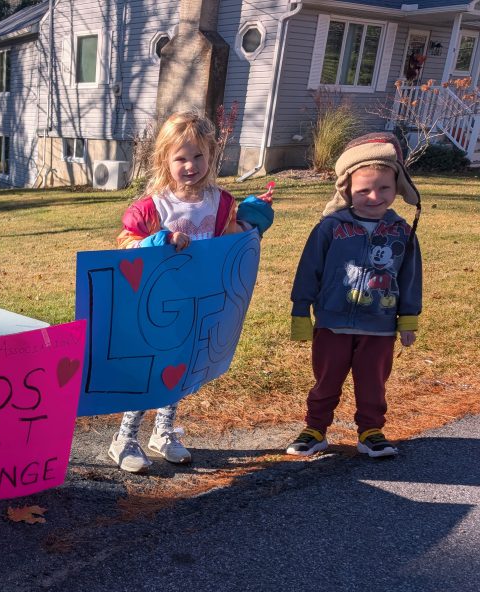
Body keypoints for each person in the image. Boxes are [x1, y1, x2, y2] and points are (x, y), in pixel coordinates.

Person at [108, 111, 274, 473]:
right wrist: (160, 240)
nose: (190, 165)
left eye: (199, 156)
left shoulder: (221, 202)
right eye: (181, 157)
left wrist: (251, 223)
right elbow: (126, 246)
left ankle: (163, 432)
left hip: (199, 302)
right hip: (156, 304)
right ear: (164, 159)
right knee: (150, 369)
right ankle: (125, 437)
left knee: (180, 368)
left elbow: (230, 245)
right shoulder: (152, 207)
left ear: (211, 156)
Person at [286, 132, 422, 459]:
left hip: (380, 325)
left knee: (373, 382)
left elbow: (410, 276)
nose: (374, 196)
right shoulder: (331, 227)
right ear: (347, 188)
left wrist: (408, 319)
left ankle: (371, 432)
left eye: (384, 188)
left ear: (397, 187)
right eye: (363, 189)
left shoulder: (402, 231)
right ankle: (315, 430)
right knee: (326, 379)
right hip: (332, 322)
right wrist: (301, 310)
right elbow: (309, 269)